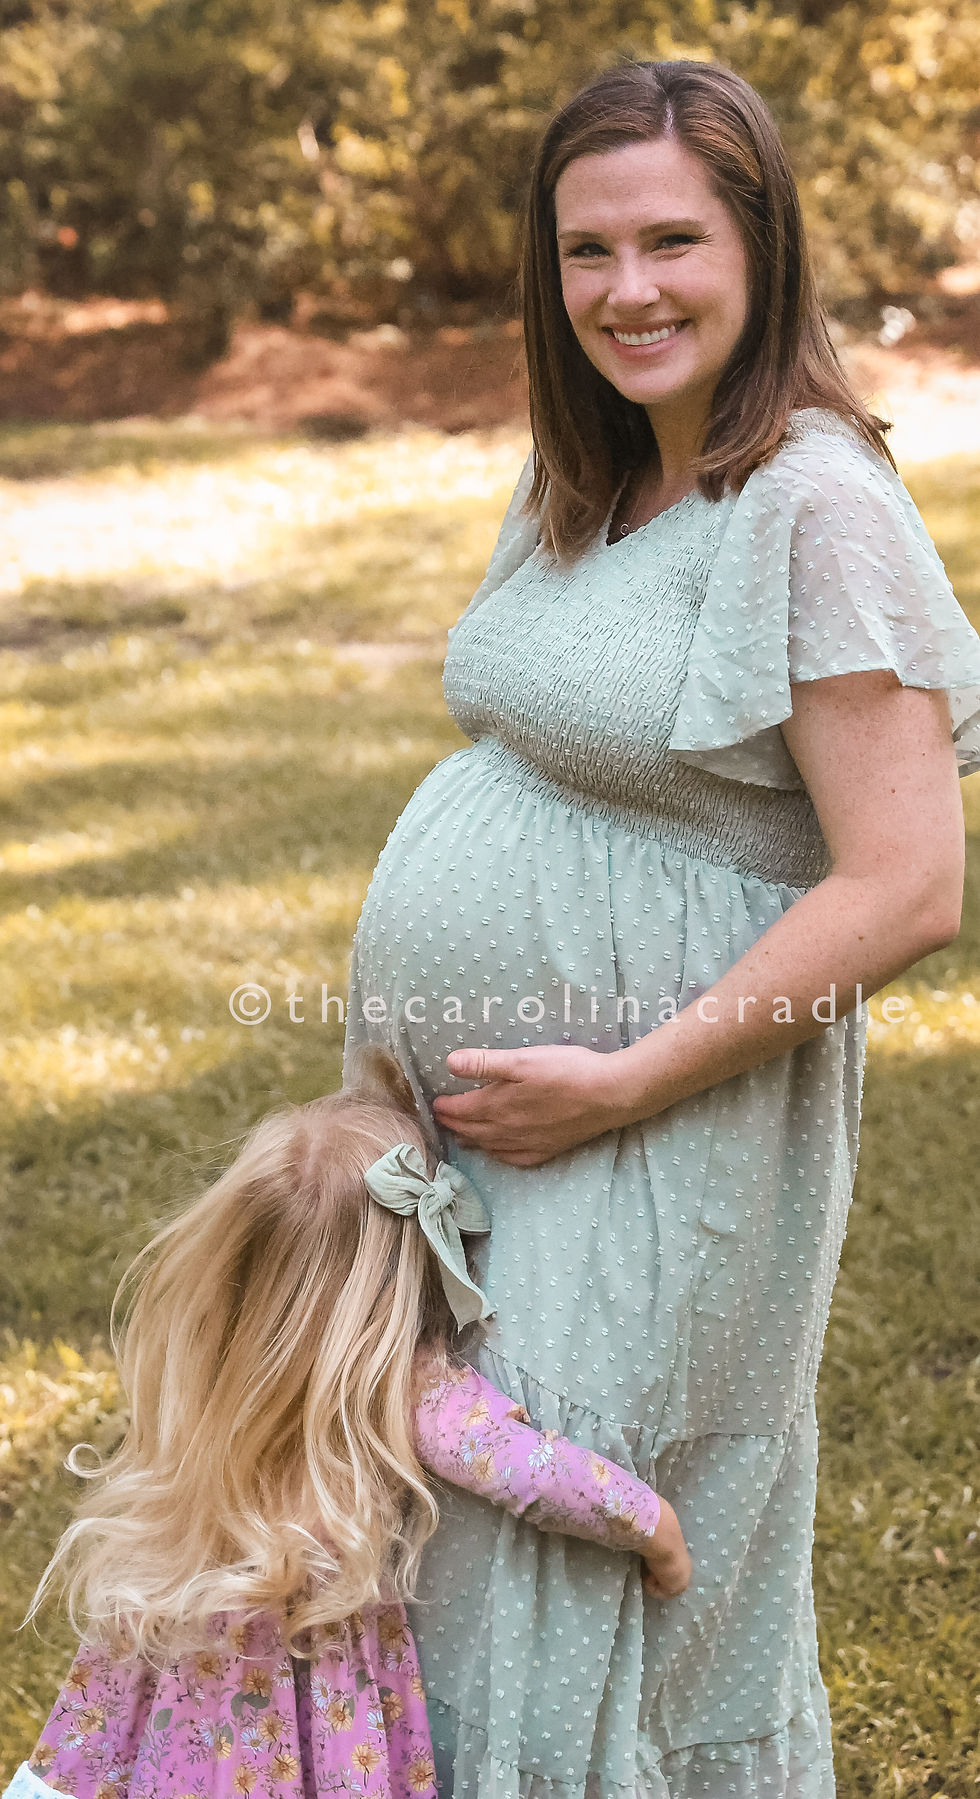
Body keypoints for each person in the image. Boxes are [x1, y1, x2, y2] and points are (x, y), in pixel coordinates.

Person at [341, 57, 980, 1799]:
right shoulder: (589, 477)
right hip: (490, 1135)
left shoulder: (817, 505)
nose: (630, 290)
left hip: (667, 1135)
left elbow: (910, 879)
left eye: (675, 241)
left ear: (764, 247)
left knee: (570, 1546)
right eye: (588, 250)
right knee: (461, 1534)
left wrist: (625, 1079)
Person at [4, 1045, 690, 1799]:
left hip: (175, 1667)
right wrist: (652, 1524)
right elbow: (524, 1465)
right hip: (302, 1706)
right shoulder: (400, 1385)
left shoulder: (211, 1361)